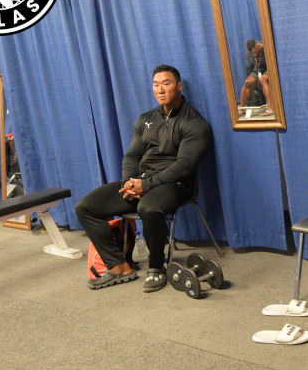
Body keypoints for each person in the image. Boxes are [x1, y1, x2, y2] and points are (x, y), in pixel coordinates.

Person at [75, 65, 212, 292]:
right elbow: (132, 155)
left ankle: (157, 268)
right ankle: (119, 266)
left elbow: (184, 166)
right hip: (141, 183)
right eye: (156, 85)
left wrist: (145, 185)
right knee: (85, 207)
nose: (160, 90)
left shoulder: (195, 123)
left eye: (166, 84)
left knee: (148, 208)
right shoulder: (146, 119)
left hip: (174, 185)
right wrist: (128, 182)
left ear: (179, 86)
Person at [239, 39, 271, 112]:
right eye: (252, 53)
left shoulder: (267, 48)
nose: (254, 55)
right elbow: (250, 68)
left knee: (263, 80)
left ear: (258, 46)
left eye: (255, 52)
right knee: (247, 82)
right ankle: (242, 108)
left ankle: (270, 107)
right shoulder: (249, 53)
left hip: (268, 69)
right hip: (258, 71)